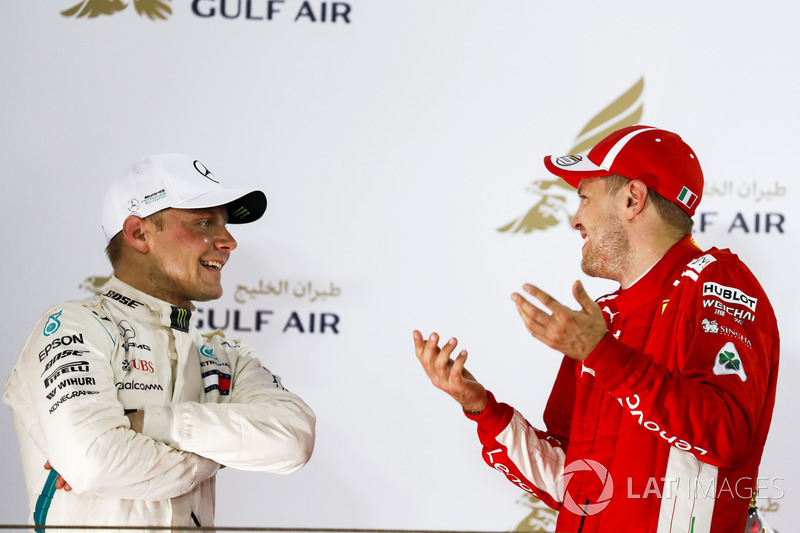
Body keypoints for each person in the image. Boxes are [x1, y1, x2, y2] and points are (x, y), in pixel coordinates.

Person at [413, 125, 779, 532]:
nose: (575, 220)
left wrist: (603, 354)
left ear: (632, 199)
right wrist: (482, 408)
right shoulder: (603, 319)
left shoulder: (718, 282)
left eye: (584, 198)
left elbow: (725, 436)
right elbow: (576, 483)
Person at [4, 154, 316, 528]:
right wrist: (214, 455)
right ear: (139, 234)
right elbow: (95, 463)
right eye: (204, 222)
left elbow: (293, 441)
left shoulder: (227, 357)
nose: (229, 241)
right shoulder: (75, 326)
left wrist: (149, 423)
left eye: (225, 225)